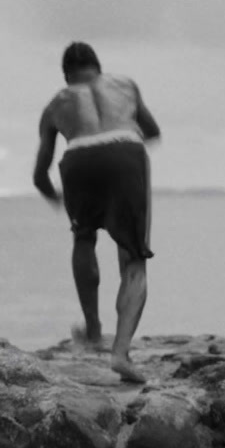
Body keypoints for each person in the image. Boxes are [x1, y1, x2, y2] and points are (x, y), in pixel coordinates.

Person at [33, 42, 162, 383]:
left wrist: (59, 198)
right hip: (125, 152)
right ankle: (120, 354)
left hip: (78, 159)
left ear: (66, 75)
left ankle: (92, 329)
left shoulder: (55, 104)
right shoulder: (125, 85)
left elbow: (39, 175)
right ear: (98, 68)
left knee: (83, 238)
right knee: (133, 258)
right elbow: (152, 131)